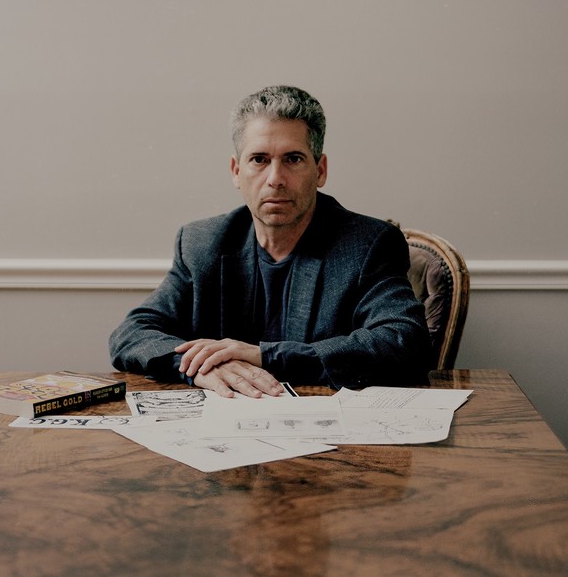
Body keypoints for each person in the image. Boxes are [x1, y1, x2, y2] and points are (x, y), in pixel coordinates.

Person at [109, 86, 431, 397]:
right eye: (259, 160)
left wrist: (266, 356)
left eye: (292, 159)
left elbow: (405, 342)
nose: (275, 178)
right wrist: (198, 366)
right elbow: (131, 334)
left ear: (320, 170)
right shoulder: (203, 244)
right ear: (236, 172)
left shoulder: (367, 245)